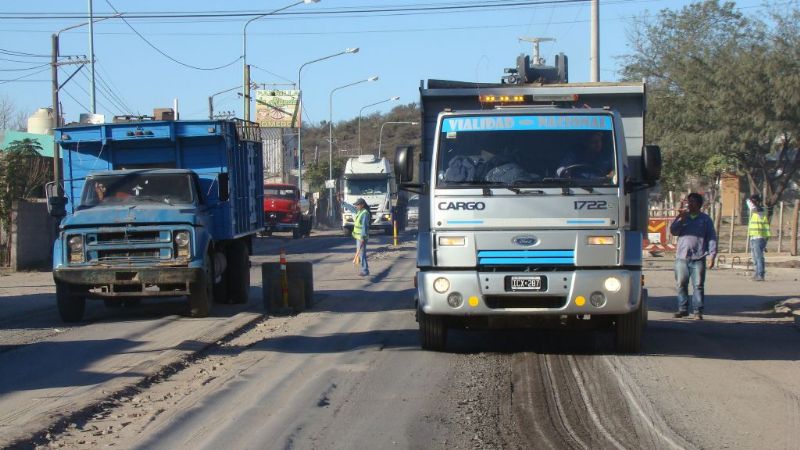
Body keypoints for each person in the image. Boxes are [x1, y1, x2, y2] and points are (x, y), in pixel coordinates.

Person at [669, 193, 717, 320]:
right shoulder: (683, 217)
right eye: (689, 202)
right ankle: (683, 309)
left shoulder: (705, 219)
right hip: (682, 257)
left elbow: (711, 237)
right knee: (681, 284)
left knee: (698, 285)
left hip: (699, 257)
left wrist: (712, 256)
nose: (690, 204)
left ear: (699, 204)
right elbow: (673, 231)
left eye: (693, 202)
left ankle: (697, 311)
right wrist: (681, 218)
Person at [747, 194, 770, 281]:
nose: (752, 203)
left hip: (759, 237)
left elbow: (754, 208)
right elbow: (749, 203)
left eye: (754, 201)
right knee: (754, 257)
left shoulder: (761, 210)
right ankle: (757, 273)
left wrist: (753, 203)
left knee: (759, 257)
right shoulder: (753, 211)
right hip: (753, 236)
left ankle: (760, 274)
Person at [352, 197, 371, 276]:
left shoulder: (365, 213)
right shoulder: (360, 211)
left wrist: (363, 237)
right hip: (358, 237)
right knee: (361, 254)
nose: (356, 206)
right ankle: (364, 269)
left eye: (358, 205)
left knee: (362, 254)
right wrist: (343, 203)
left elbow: (364, 227)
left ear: (362, 205)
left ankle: (365, 270)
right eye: (356, 205)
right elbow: (351, 208)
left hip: (361, 238)